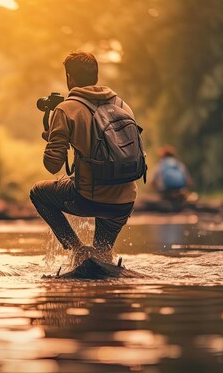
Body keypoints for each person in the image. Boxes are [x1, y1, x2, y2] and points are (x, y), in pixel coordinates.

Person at [30, 52, 139, 265]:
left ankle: (76, 250)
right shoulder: (123, 105)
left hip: (88, 197)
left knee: (38, 192)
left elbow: (52, 165)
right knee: (102, 253)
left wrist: (54, 137)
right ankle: (103, 259)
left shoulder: (66, 109)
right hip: (124, 201)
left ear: (70, 78)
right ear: (96, 76)